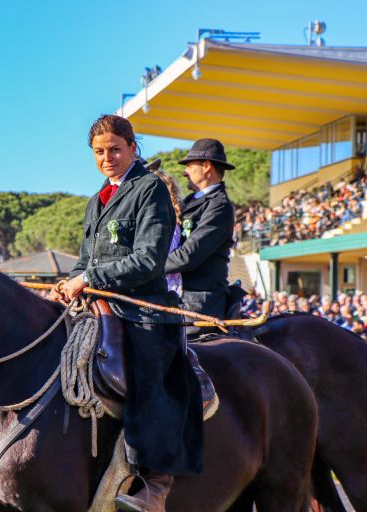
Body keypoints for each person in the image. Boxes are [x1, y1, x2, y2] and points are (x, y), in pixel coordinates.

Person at [50, 115, 202, 512]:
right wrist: (67, 284)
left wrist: (88, 277)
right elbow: (84, 261)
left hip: (145, 315)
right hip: (97, 310)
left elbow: (150, 260)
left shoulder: (149, 188)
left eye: (115, 149)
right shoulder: (95, 201)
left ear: (133, 148)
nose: (107, 158)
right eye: (99, 152)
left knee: (146, 377)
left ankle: (155, 485)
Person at [165, 138, 235, 336]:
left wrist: (147, 266)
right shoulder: (189, 202)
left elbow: (189, 255)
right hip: (178, 296)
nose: (184, 172)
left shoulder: (219, 206)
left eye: (189, 165)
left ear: (206, 167)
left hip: (198, 303)